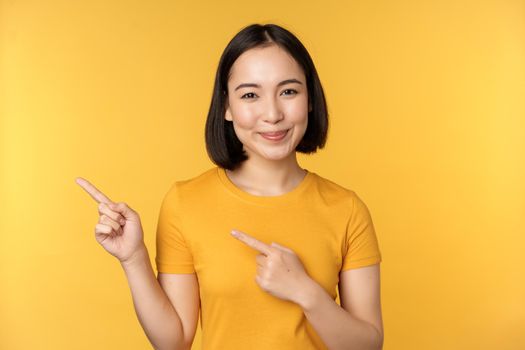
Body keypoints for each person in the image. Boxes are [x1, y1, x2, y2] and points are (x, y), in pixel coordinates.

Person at [76, 23, 384, 350]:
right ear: (226, 106)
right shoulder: (185, 203)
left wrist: (305, 292)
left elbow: (368, 345)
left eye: (289, 91)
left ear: (310, 99)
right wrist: (133, 258)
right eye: (250, 95)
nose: (272, 113)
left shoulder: (346, 209)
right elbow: (174, 341)